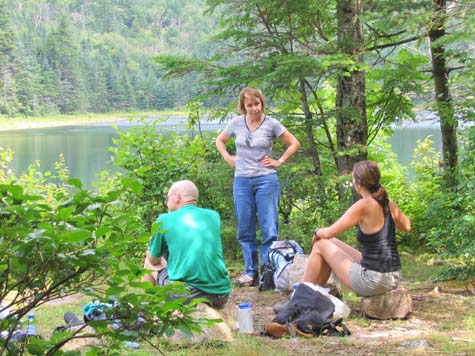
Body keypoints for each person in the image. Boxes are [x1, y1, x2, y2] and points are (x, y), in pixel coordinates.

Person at [216, 87, 300, 287]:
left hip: (266, 179)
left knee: (269, 228)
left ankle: (268, 273)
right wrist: (228, 157)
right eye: (249, 105)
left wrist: (279, 161)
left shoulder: (272, 124)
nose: (254, 108)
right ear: (243, 107)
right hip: (242, 180)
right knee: (245, 227)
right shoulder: (237, 123)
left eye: (257, 104)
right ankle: (250, 272)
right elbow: (220, 140)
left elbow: (294, 143)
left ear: (262, 103)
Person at [303, 160, 411, 297]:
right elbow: (407, 227)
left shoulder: (364, 205)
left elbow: (329, 231)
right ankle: (313, 293)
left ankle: (299, 297)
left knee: (320, 244)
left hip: (373, 280)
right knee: (331, 241)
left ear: (358, 183)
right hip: (392, 276)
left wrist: (317, 231)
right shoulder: (388, 202)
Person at [142, 180, 231, 308]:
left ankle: (147, 310)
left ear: (177, 197)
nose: (167, 202)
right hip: (221, 294)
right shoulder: (213, 216)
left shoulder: (164, 220)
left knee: (148, 262)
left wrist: (149, 251)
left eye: (168, 197)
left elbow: (154, 261)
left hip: (187, 295)